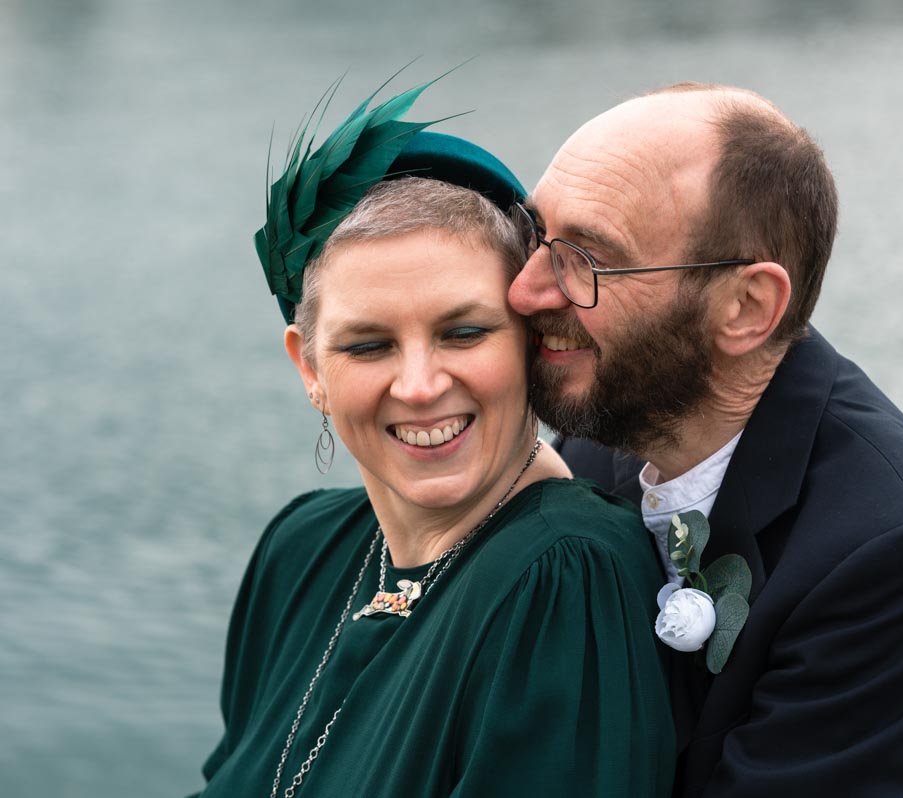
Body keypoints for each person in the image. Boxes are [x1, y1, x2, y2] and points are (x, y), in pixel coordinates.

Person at [506, 82, 903, 797]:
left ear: (746, 307)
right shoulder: (603, 440)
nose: (525, 291)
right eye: (535, 237)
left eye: (587, 259)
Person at [192, 85, 674, 798]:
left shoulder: (563, 578)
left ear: (532, 342)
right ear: (309, 368)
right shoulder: (298, 551)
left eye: (464, 332)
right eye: (368, 345)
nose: (419, 385)